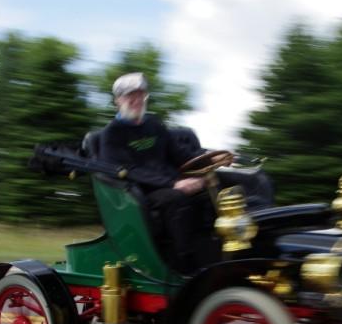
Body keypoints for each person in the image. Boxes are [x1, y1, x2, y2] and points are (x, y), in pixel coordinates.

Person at [84, 72, 273, 272]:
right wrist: (174, 184)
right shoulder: (112, 134)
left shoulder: (153, 124)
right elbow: (128, 171)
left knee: (216, 189)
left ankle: (227, 250)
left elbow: (179, 154)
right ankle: (185, 265)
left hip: (172, 183)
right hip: (139, 192)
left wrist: (212, 159)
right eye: (129, 95)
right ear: (118, 100)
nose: (136, 100)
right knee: (177, 200)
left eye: (140, 94)